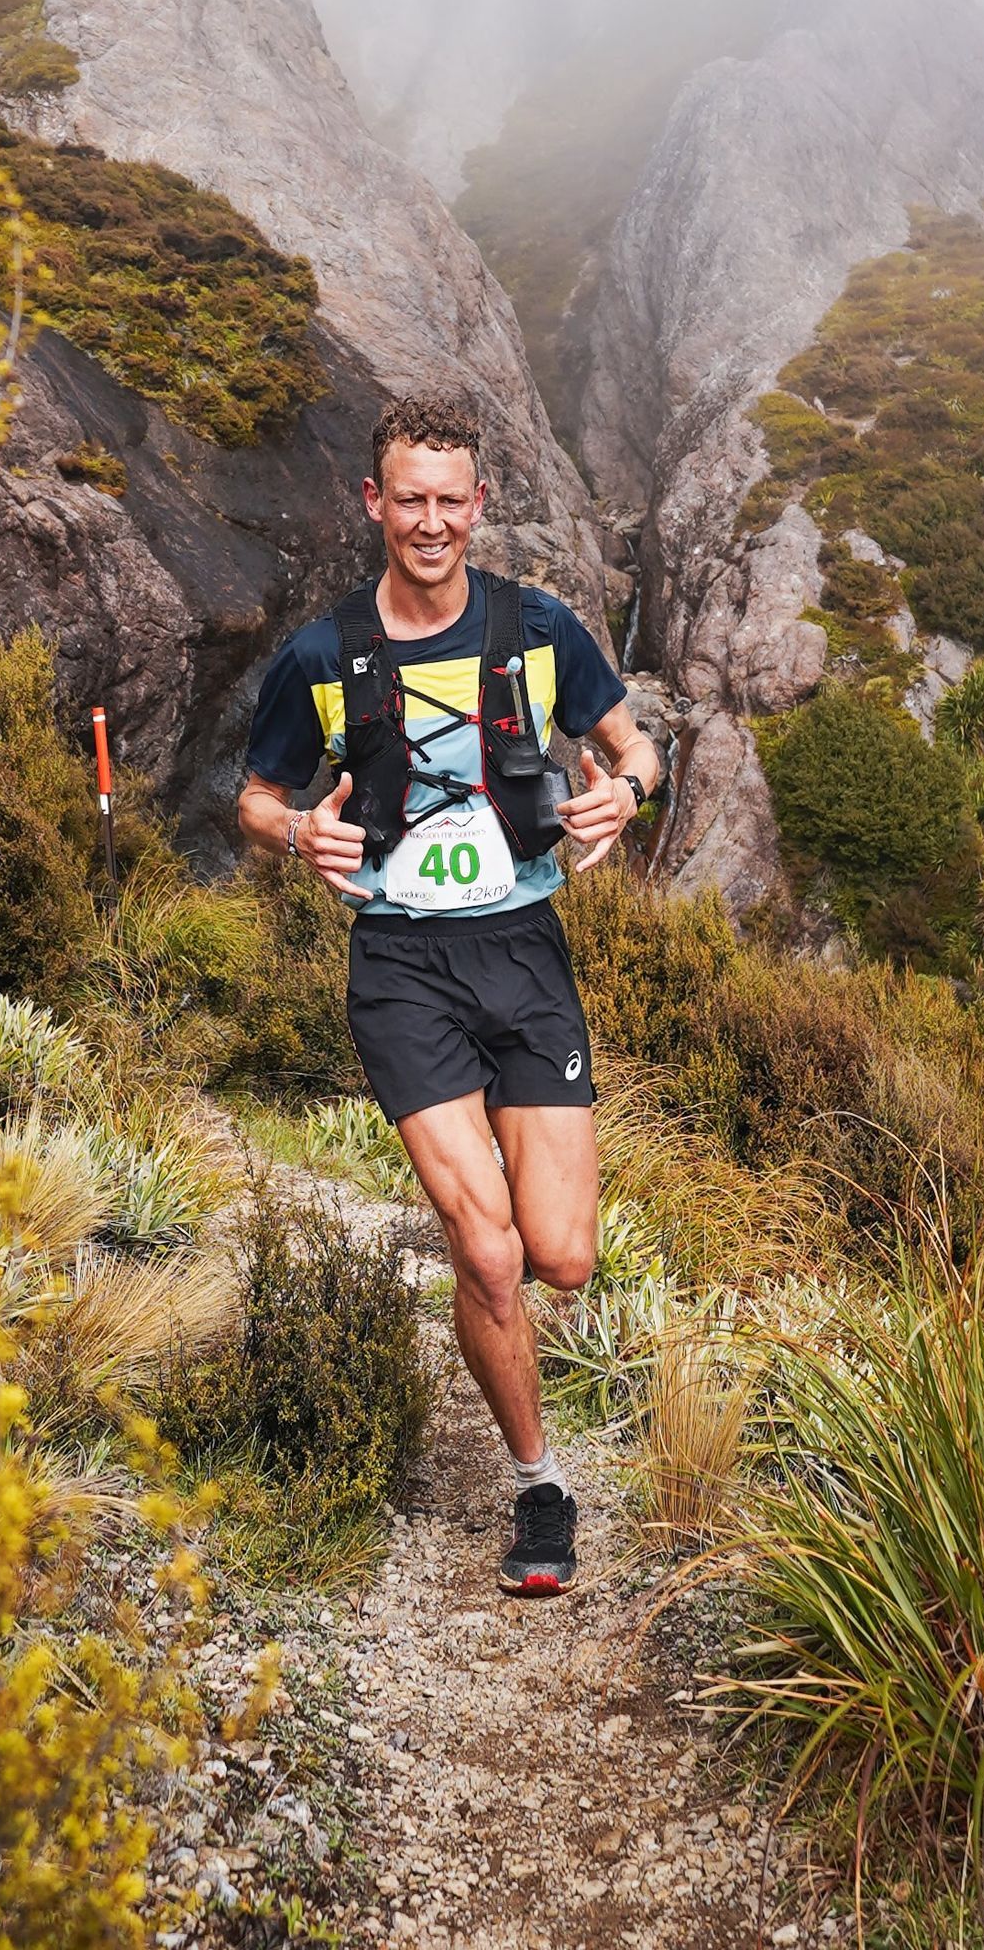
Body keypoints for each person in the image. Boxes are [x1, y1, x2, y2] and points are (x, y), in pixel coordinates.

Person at [238, 392, 661, 1596]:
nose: (430, 522)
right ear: (374, 504)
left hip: (526, 949)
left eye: (450, 501)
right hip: (402, 966)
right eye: (407, 499)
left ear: (481, 505)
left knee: (563, 1258)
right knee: (486, 1251)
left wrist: (624, 794)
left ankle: (501, 1302)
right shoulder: (324, 656)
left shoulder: (537, 630)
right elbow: (258, 796)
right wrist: (294, 835)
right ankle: (540, 1489)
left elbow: (637, 745)